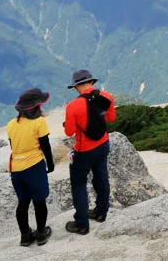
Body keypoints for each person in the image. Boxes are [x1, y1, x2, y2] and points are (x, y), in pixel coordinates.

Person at [63, 69, 116, 235]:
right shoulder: (106, 97)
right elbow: (110, 118)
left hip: (83, 150)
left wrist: (68, 123)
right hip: (103, 144)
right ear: (91, 82)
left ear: (77, 86)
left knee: (79, 184)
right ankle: (101, 212)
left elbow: (69, 132)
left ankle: (81, 224)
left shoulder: (73, 106)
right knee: (101, 177)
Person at [7, 87, 55, 247]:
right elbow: (45, 145)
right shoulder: (39, 122)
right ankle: (41, 233)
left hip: (16, 169)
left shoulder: (11, 124)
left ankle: (25, 236)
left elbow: (13, 145)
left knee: (23, 202)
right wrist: (50, 163)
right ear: (36, 106)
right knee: (39, 201)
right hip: (34, 166)